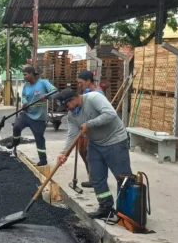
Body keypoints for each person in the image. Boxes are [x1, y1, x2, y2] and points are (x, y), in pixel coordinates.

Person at [55, 88, 131, 220]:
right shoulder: (72, 115)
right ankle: (105, 207)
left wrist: (90, 124)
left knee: (123, 178)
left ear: (73, 99)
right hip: (95, 144)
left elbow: (110, 114)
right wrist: (63, 153)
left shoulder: (94, 98)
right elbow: (72, 134)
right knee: (96, 177)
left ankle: (129, 211)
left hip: (115, 141)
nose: (68, 109)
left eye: (67, 106)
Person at [6, 65, 57, 166]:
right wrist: (24, 102)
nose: (24, 77)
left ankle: (43, 159)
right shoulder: (26, 85)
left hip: (39, 117)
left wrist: (46, 96)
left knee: (39, 137)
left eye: (25, 75)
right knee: (16, 126)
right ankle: (15, 142)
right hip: (27, 113)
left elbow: (55, 92)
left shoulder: (43, 83)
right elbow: (24, 96)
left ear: (31, 74)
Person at [76, 70, 105, 188]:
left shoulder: (98, 94)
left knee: (91, 155)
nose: (79, 85)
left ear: (89, 81)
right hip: (86, 128)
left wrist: (89, 125)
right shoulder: (88, 92)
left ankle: (97, 179)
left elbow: (103, 115)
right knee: (83, 152)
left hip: (95, 130)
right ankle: (92, 177)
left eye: (81, 83)